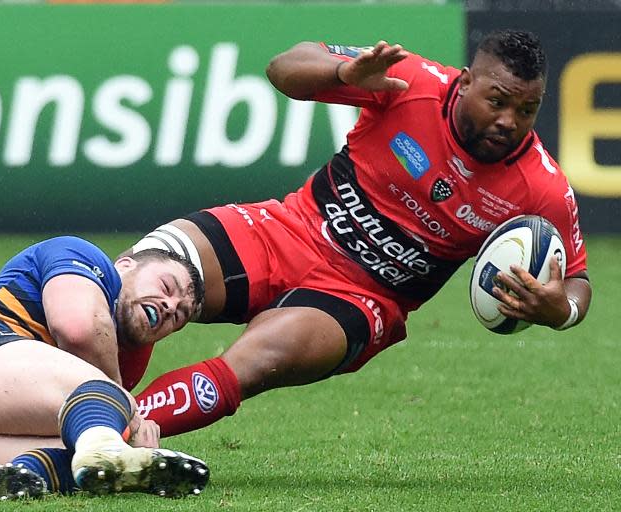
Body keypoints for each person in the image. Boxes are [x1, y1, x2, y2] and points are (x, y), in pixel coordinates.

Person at [126, 30, 592, 437]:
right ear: (465, 82)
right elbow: (283, 68)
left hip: (358, 299)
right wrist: (342, 71)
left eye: (527, 109)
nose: (510, 120)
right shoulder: (410, 82)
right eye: (498, 101)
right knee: (143, 271)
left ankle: (109, 433)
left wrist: (561, 310)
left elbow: (578, 281)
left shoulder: (541, 187)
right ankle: (71, 392)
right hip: (285, 229)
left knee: (256, 360)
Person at [0, 236, 209, 499]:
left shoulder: (114, 366)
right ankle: (105, 450)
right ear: (124, 265)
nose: (168, 306)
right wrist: (125, 414)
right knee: (104, 412)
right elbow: (78, 329)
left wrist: (126, 437)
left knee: (79, 448)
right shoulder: (84, 256)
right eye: (166, 287)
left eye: (178, 316)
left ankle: (3, 475)